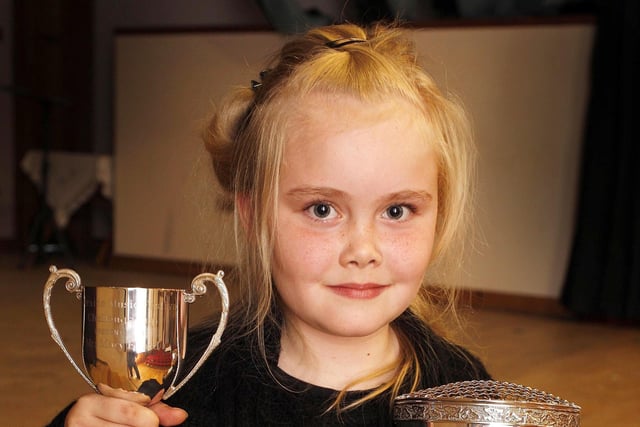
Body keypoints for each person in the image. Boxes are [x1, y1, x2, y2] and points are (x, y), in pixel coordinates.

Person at [46, 22, 490, 427]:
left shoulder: (465, 390)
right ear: (253, 214)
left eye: (397, 211)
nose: (363, 249)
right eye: (322, 209)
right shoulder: (184, 386)